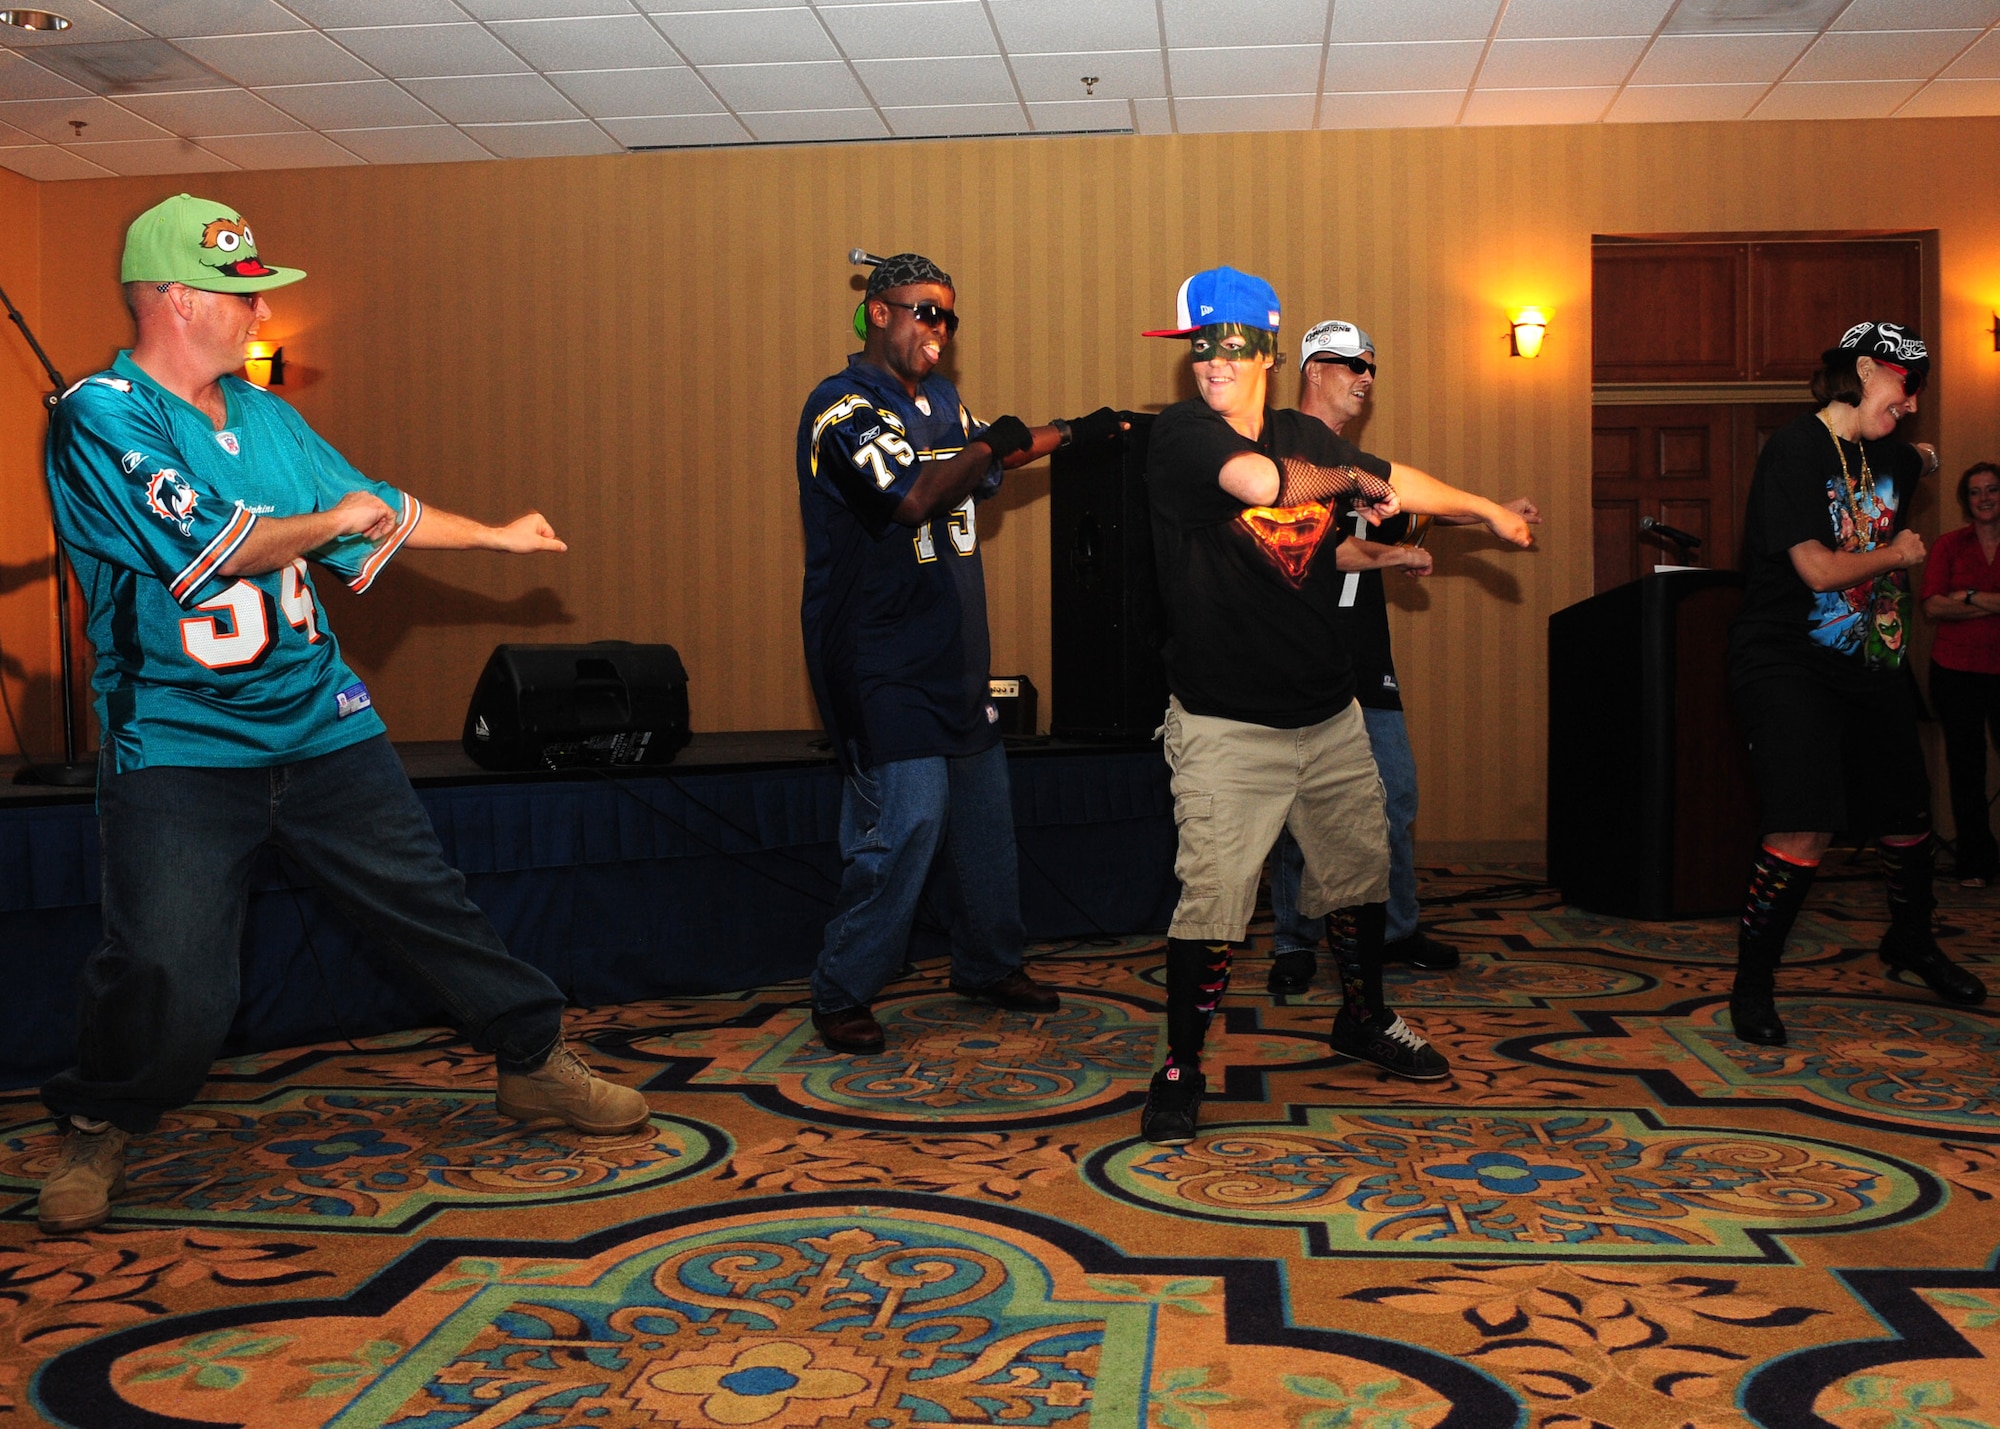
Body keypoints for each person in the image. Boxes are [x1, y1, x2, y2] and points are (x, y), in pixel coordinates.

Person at [34, 193, 647, 1235]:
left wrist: (494, 536)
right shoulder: (101, 415)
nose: (261, 315)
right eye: (243, 297)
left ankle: (533, 1060)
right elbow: (217, 545)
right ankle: (101, 1120)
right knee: (169, 971)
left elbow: (376, 507)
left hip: (323, 723)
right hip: (180, 743)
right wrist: (330, 521)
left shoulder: (266, 415)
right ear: (178, 299)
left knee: (431, 906)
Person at [1135, 267, 1534, 1145]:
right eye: (1200, 348)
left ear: (1268, 354)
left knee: (1358, 874)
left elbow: (1400, 482)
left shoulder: (1305, 435)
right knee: (1214, 901)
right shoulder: (1182, 436)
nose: (1214, 362)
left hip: (1328, 715)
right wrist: (1351, 480)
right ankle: (1182, 1066)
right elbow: (1259, 484)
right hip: (1225, 723)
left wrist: (1486, 513)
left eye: (1233, 345)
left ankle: (1363, 1016)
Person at [795, 251, 1119, 1054]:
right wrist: (990, 446)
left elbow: (993, 452)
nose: (938, 327)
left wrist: (1073, 432)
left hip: (953, 659)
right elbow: (912, 496)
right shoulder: (841, 408)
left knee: (983, 826)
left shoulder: (941, 399)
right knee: (907, 823)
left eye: (948, 315)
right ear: (879, 312)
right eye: (924, 310)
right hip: (878, 663)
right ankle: (841, 988)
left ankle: (987, 964)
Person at [1726, 320, 1986, 1046]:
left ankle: (1911, 941)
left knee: (1908, 812)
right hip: (1787, 661)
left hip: (1870, 659)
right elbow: (1816, 569)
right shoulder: (1795, 449)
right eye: (1909, 385)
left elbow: (1920, 456)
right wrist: (1897, 553)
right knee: (1803, 822)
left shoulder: (1893, 452)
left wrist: (1927, 455)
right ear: (1868, 369)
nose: (1914, 404)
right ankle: (1753, 982)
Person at [1265, 319, 1541, 995]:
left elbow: (1419, 507)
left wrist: (1489, 511)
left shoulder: (1362, 468)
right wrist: (1393, 555)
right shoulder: (1283, 459)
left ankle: (1394, 929)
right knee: (1304, 808)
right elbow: (1326, 551)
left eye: (1371, 367)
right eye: (1352, 364)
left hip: (1367, 659)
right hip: (1299, 657)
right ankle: (1295, 940)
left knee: (1394, 794)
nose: (1365, 377)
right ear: (1314, 370)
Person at [1920, 461, 2000, 887]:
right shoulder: (1949, 545)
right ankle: (1976, 862)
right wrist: (1992, 602)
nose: (1984, 498)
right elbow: (1933, 605)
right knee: (1967, 769)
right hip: (1955, 671)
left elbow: (1950, 601)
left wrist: (1967, 595)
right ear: (1965, 500)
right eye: (1975, 491)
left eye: (1992, 489)